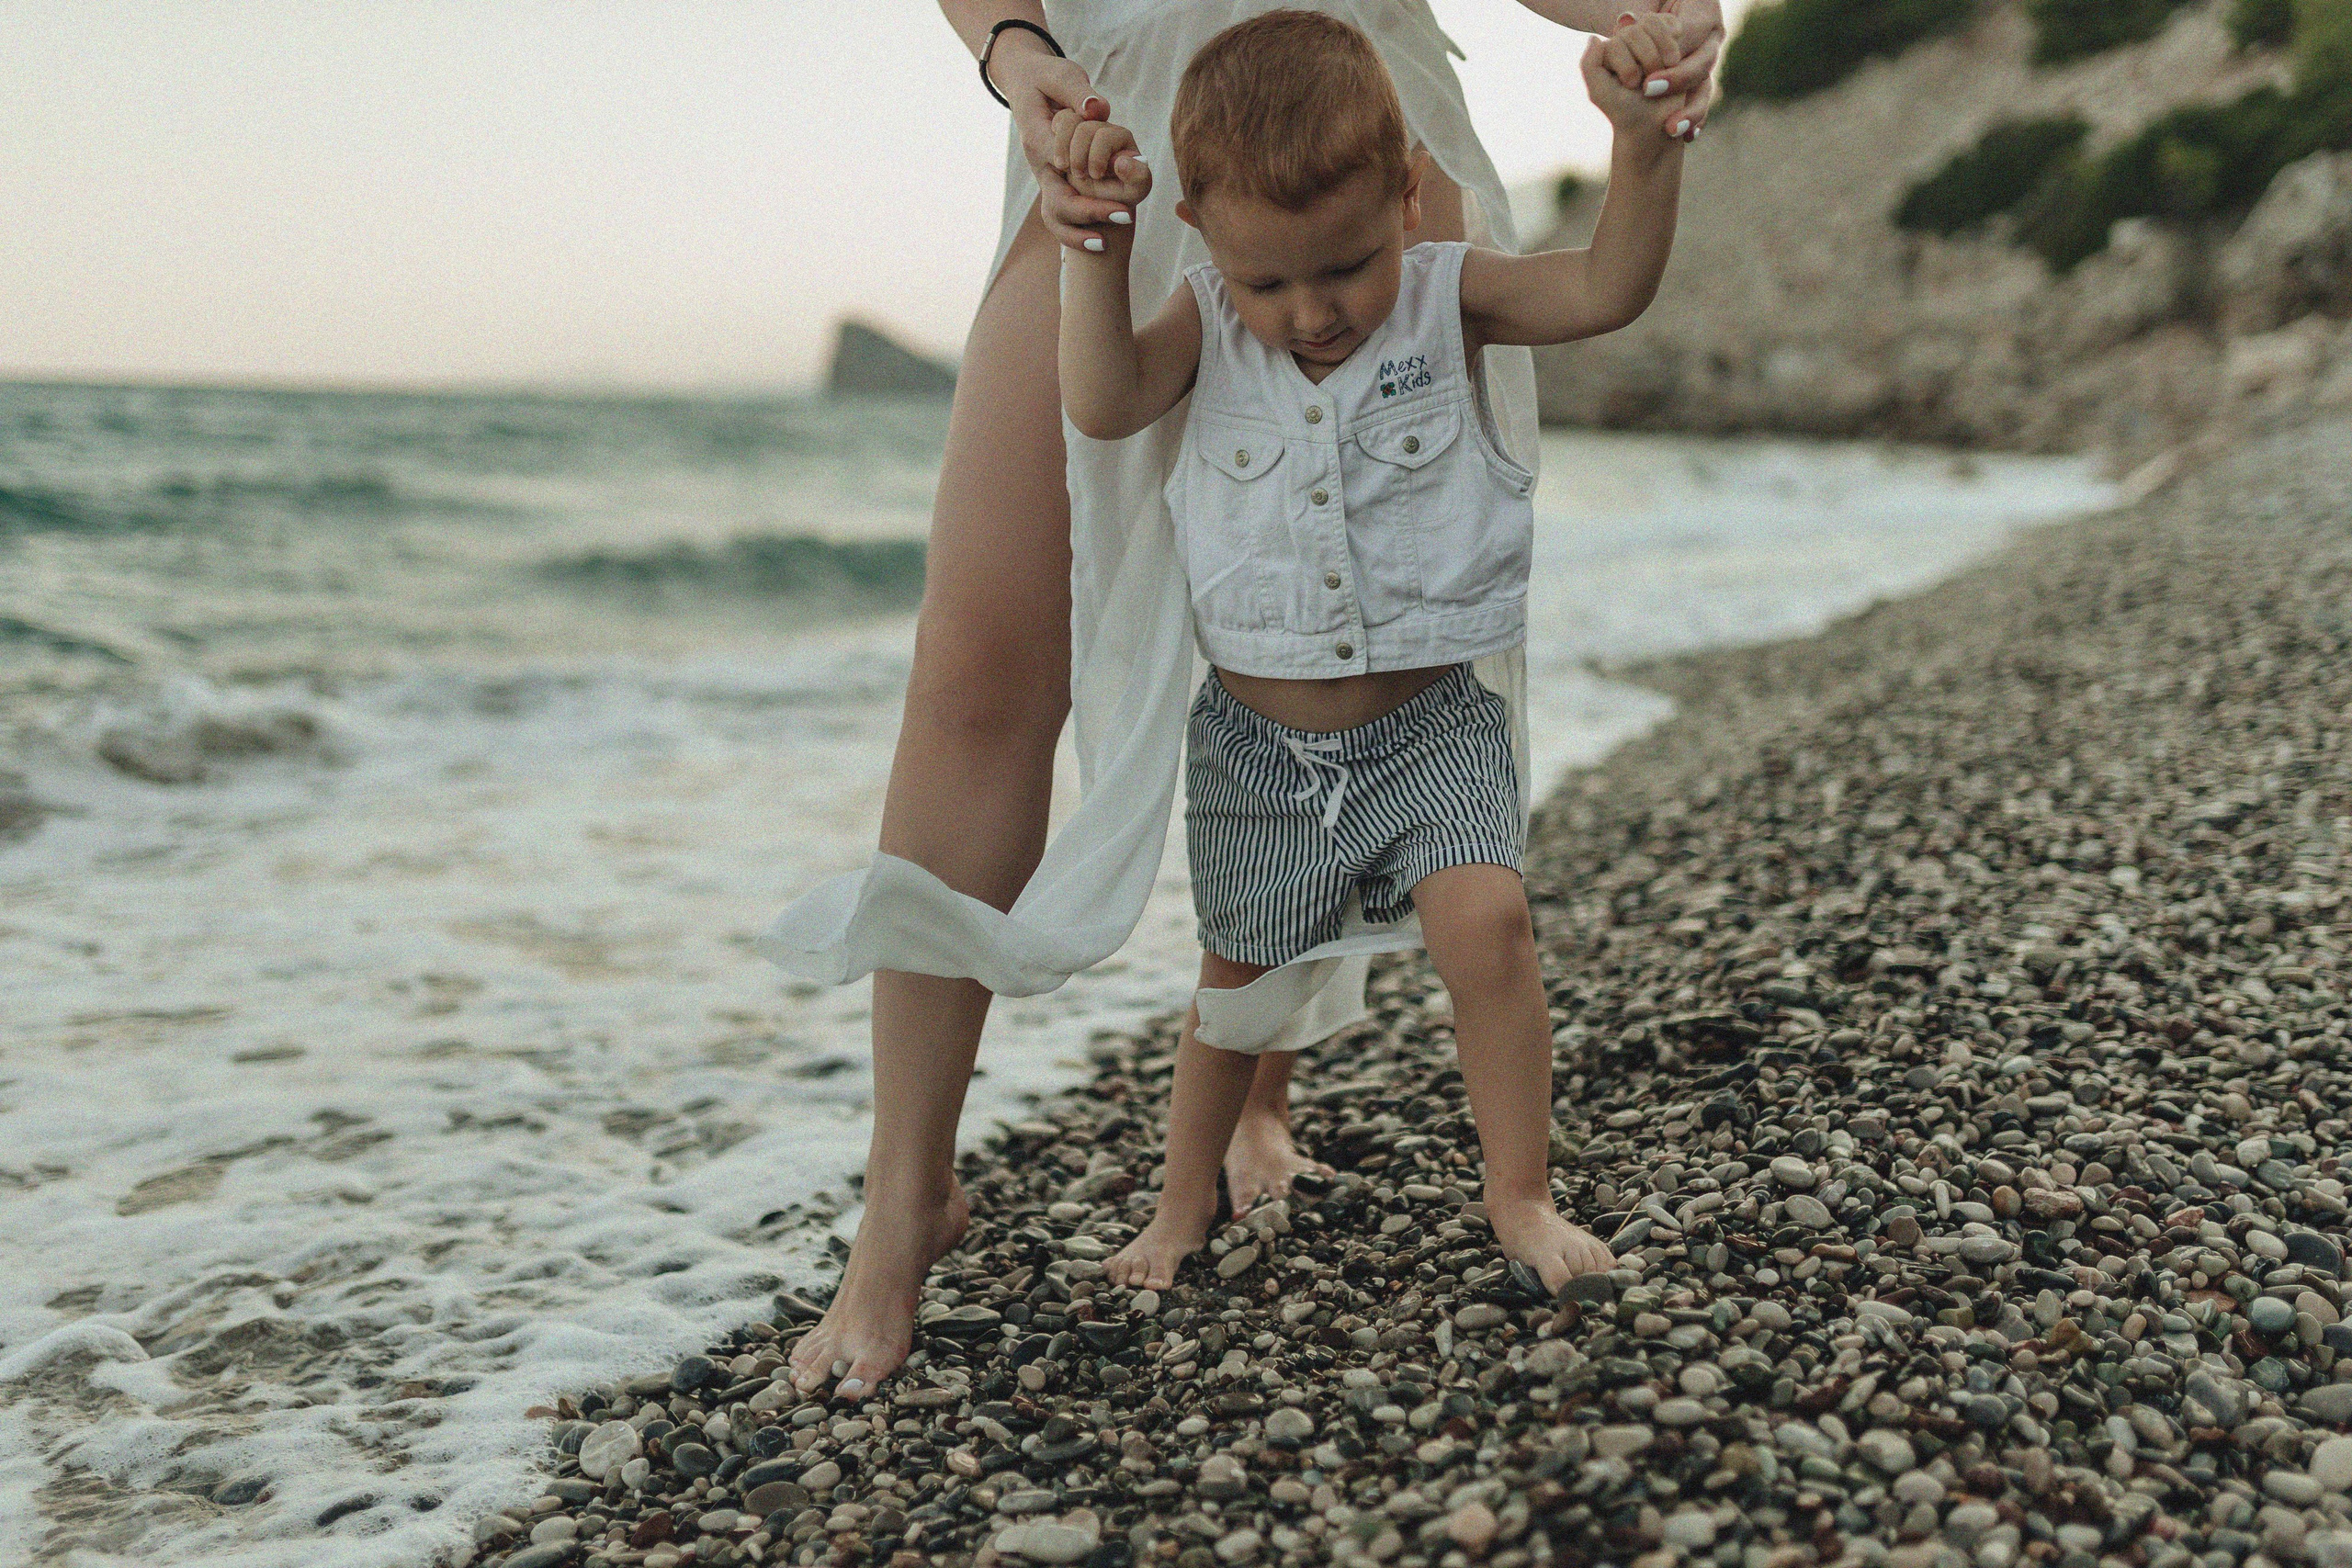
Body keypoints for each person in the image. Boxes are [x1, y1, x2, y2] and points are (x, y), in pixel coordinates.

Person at [782, 0, 1722, 1402]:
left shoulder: (1405, 260)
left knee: (1358, 603)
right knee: (980, 672)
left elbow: (1602, 280)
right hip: (1110, 132)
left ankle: (1270, 1103)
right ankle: (904, 1198)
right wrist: (1024, 63)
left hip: (1352, 99)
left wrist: (1644, 28)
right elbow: (1104, 399)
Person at [1057, 7, 1683, 1292]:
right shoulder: (1204, 321)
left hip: (1430, 725)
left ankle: (1521, 1198)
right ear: (1205, 238)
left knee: (1490, 926)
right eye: (1267, 280)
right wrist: (1095, 252)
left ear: (1406, 193)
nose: (1310, 313)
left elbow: (1607, 290)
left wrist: (1642, 147)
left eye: (1341, 267)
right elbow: (1104, 401)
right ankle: (1180, 1207)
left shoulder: (1452, 296)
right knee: (1235, 991)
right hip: (1256, 749)